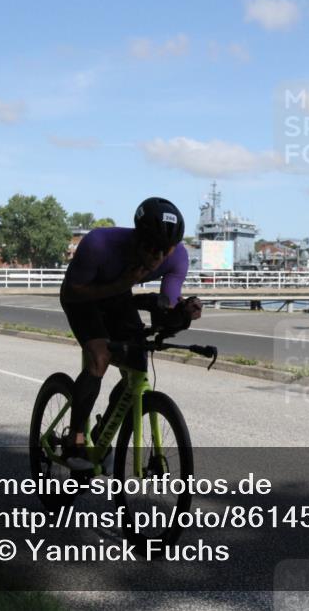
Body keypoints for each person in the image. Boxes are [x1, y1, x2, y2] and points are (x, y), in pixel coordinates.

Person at [59, 197, 202, 470]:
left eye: (165, 250)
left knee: (137, 363)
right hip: (82, 297)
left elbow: (166, 308)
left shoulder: (178, 257)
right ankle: (74, 440)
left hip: (118, 295)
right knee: (99, 357)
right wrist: (122, 284)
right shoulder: (98, 244)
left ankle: (102, 436)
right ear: (136, 238)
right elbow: (71, 292)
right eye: (150, 247)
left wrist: (182, 314)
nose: (157, 257)